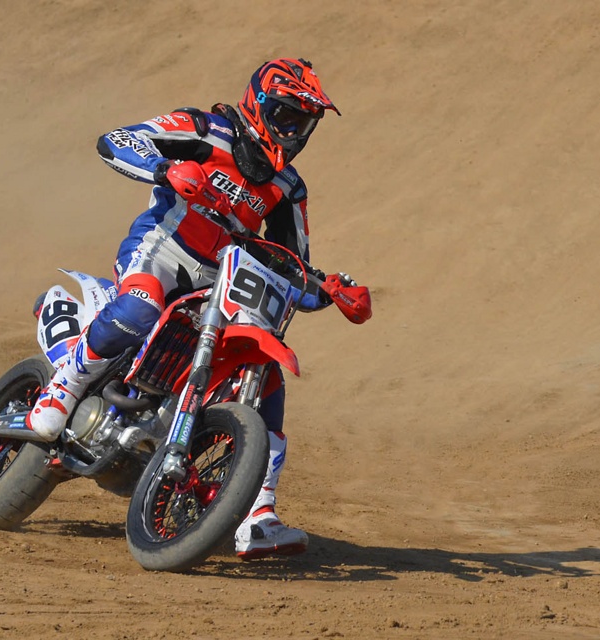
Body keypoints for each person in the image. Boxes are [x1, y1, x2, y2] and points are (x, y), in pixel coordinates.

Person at [26, 58, 356, 560]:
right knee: (138, 311)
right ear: (260, 105)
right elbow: (117, 141)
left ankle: (258, 514)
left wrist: (329, 290)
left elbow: (292, 263)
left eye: (303, 123)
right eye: (287, 116)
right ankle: (63, 387)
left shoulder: (289, 188)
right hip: (161, 250)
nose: (293, 132)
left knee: (265, 373)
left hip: (221, 280)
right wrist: (165, 169)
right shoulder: (206, 130)